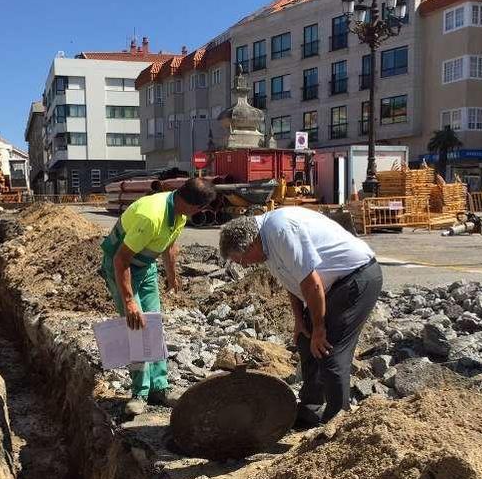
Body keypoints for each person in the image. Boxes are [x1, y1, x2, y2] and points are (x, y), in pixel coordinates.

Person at [219, 208, 382, 426]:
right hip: (330, 285)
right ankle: (310, 411)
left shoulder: (281, 230)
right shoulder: (263, 243)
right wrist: (300, 321)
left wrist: (320, 328)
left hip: (356, 277)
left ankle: (338, 424)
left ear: (250, 245)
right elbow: (293, 282)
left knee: (329, 350)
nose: (244, 265)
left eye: (241, 259)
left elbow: (311, 282)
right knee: (306, 341)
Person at [100, 177, 217, 415]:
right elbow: (120, 260)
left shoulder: (180, 213)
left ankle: (159, 387)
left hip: (145, 266)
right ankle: (139, 392)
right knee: (136, 324)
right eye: (201, 209)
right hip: (121, 267)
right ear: (193, 205)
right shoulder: (151, 216)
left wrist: (172, 276)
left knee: (153, 324)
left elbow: (170, 246)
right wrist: (130, 301)